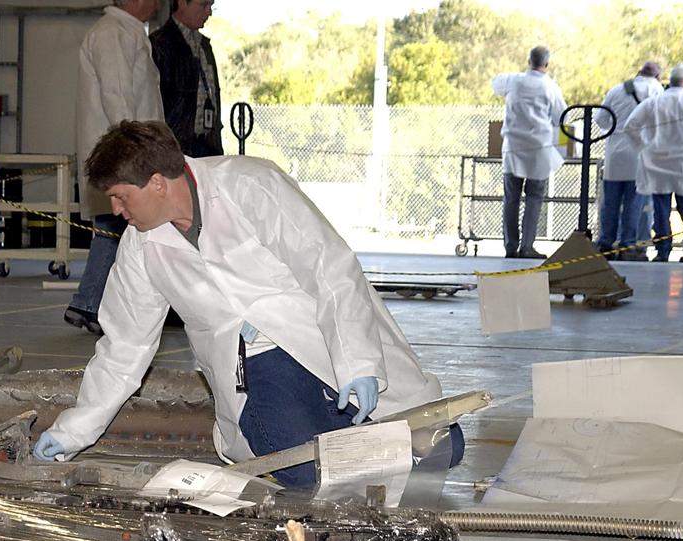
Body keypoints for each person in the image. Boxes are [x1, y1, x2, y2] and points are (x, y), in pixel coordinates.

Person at [32, 121, 463, 487]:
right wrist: (74, 430)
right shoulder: (140, 247)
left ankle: (369, 443)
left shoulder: (250, 184)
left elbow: (329, 267)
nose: (116, 209)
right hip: (255, 365)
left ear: (158, 183)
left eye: (121, 196)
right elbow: (124, 346)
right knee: (300, 470)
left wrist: (359, 363)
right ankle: (370, 450)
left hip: (324, 339)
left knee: (446, 446)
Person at [64, 0, 163, 336]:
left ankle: (89, 302)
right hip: (122, 156)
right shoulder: (112, 33)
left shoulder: (125, 32)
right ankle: (93, 303)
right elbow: (117, 98)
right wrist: (138, 150)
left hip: (123, 154)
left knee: (114, 230)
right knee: (118, 229)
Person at [491, 46, 568, 259]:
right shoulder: (551, 87)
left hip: (513, 147)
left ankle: (510, 245)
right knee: (534, 198)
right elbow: (562, 118)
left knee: (511, 198)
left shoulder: (513, 81)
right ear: (547, 64)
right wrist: (565, 149)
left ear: (528, 61)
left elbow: (495, 83)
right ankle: (527, 246)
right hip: (538, 149)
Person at [624, 63, 683, 263]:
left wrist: (644, 145)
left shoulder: (655, 102)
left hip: (657, 164)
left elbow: (631, 126)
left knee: (661, 210)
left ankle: (663, 250)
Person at [594, 61, 663, 260]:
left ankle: (606, 244)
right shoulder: (656, 89)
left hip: (615, 154)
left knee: (611, 203)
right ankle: (628, 245)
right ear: (657, 76)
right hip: (641, 153)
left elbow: (600, 120)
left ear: (638, 73)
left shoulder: (616, 90)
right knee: (635, 203)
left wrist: (615, 133)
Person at [150, 0, 222, 158]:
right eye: (204, 5)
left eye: (211, 6)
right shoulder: (159, 45)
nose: (208, 12)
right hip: (177, 149)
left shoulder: (204, 45)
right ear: (182, 3)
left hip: (208, 146)